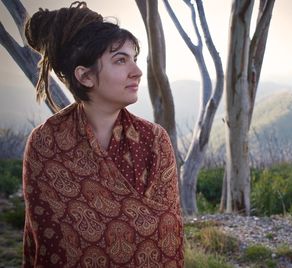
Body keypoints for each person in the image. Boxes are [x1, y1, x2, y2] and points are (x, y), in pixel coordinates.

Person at [22, 2, 184, 267]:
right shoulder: (46, 143)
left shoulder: (154, 140)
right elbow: (50, 245)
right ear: (85, 76)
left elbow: (166, 231)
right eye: (120, 60)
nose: (137, 71)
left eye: (134, 59)